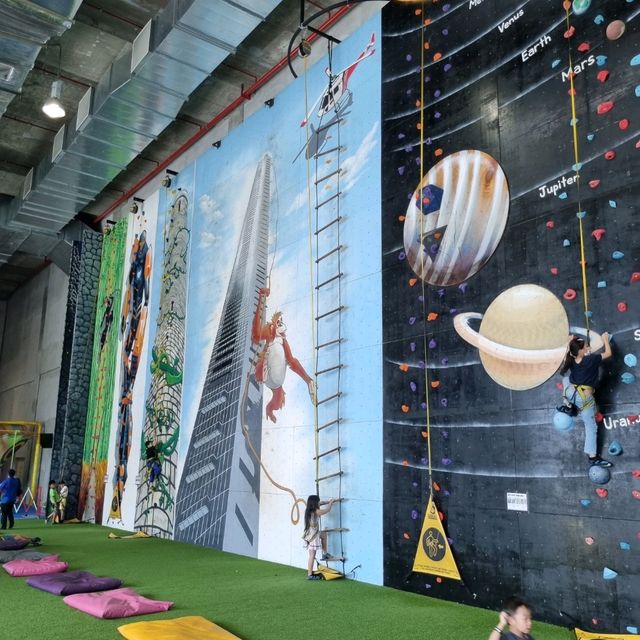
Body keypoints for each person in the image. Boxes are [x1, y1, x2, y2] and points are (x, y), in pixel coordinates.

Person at [559, 332, 612, 467]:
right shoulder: (592, 359)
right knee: (590, 426)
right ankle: (593, 457)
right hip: (584, 399)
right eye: (586, 347)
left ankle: (569, 407)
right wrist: (605, 339)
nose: (588, 348)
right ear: (581, 351)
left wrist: (569, 343)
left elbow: (568, 352)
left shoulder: (570, 358)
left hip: (570, 394)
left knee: (566, 379)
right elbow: (608, 353)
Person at [302, 494, 335, 580]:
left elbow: (321, 503)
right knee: (312, 555)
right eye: (318, 501)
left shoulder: (309, 510)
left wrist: (327, 501)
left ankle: (325, 554)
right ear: (315, 503)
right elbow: (327, 510)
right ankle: (309, 575)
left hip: (310, 534)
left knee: (323, 535)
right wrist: (331, 503)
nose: (319, 503)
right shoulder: (316, 511)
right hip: (313, 536)